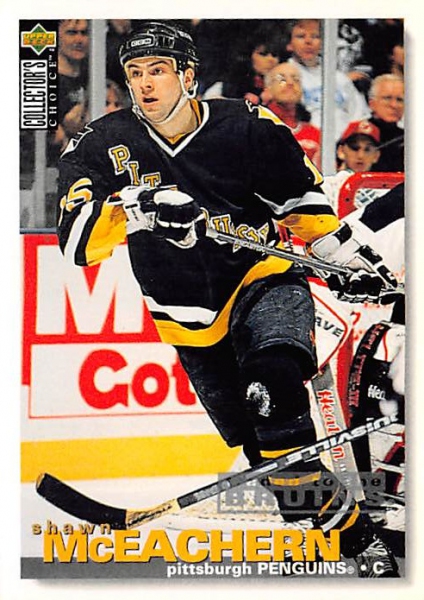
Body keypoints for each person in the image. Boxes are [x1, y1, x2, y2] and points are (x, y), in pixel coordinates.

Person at [57, 21, 400, 577]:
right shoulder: (101, 143)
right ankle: (350, 535)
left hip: (264, 279)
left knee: (272, 387)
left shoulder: (247, 126)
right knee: (271, 460)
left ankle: (353, 540)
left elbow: (306, 211)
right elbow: (75, 243)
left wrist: (349, 264)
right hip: (185, 316)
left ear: (188, 75)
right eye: (135, 73)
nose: (145, 84)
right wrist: (137, 209)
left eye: (158, 71)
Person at [285, 19, 369, 141]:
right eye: (301, 36)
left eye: (315, 36)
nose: (308, 41)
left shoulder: (339, 78)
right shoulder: (283, 75)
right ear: (289, 44)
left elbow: (359, 117)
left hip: (345, 145)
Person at [265, 61, 321, 169]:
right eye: (282, 79)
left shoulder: (315, 134)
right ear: (267, 88)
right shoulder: (257, 128)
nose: (290, 83)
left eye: (296, 79)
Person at [366, 73, 404, 171]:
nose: (394, 105)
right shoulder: (357, 133)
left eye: (399, 100)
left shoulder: (411, 140)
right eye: (387, 98)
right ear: (371, 103)